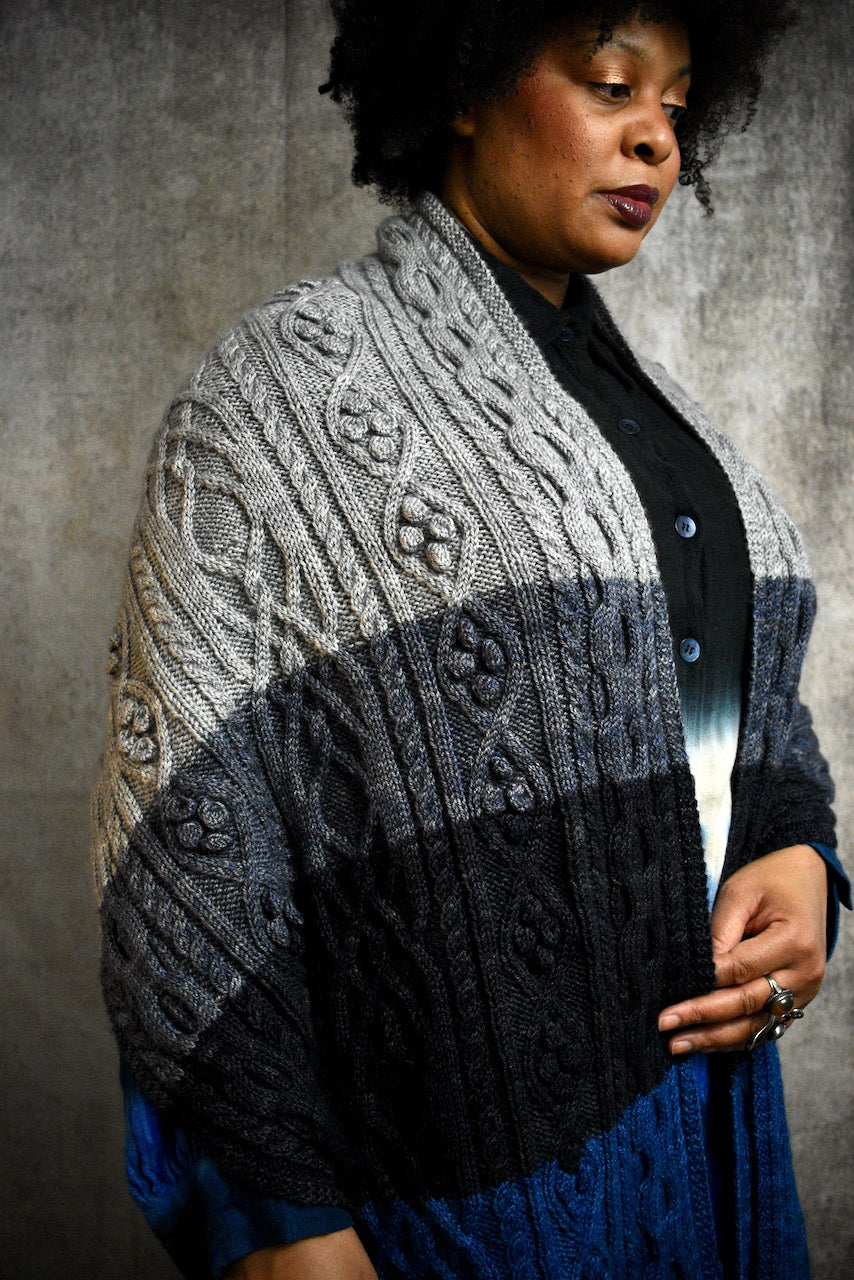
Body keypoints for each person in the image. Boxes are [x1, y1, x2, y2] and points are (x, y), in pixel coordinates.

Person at [92, 2, 849, 1277]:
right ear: (461, 82)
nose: (655, 139)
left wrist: (796, 847)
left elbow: (736, 698)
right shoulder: (278, 397)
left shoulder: (656, 422)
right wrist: (279, 1225)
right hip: (454, 1195)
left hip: (710, 1145)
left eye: (673, 105)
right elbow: (185, 834)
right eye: (608, 84)